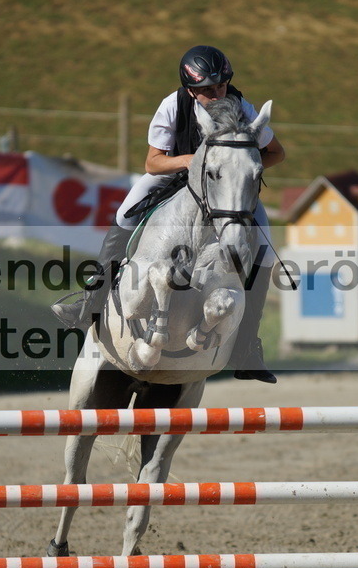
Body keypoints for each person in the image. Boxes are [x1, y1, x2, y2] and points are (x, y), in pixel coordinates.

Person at [52, 45, 286, 383]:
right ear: (191, 89)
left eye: (221, 86)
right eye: (208, 90)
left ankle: (247, 345)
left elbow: (277, 153)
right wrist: (191, 162)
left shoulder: (243, 108)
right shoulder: (173, 105)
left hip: (225, 190)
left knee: (265, 248)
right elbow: (152, 162)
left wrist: (235, 172)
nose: (217, 94)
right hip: (171, 175)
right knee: (125, 215)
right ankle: (91, 301)